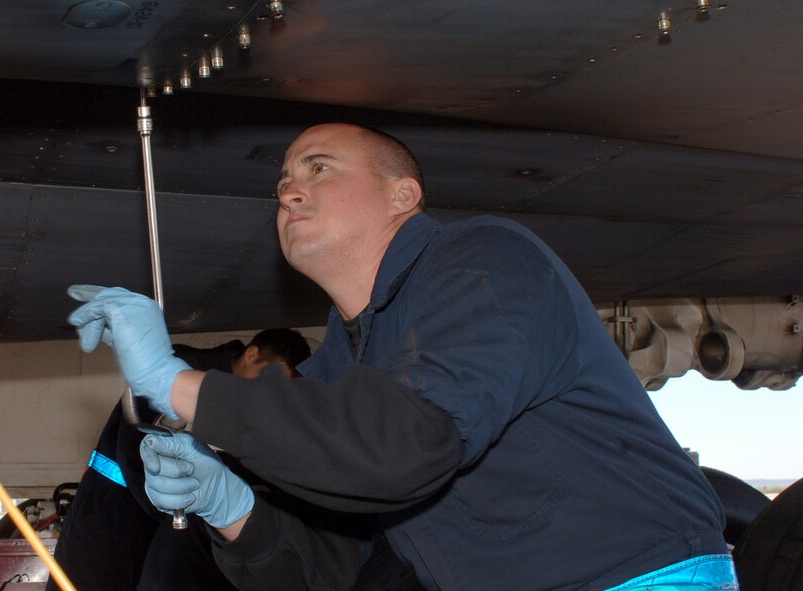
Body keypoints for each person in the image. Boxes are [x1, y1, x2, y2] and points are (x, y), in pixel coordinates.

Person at [69, 123, 738, 590]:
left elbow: (406, 443)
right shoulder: (343, 365)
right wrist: (230, 504)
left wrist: (176, 381)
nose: (288, 190)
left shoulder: (484, 261)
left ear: (403, 195)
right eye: (282, 180)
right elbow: (332, 566)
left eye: (318, 168)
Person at [48, 329, 312, 591]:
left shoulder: (244, 409)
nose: (267, 395)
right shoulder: (177, 371)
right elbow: (134, 454)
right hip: (109, 515)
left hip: (156, 528)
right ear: (252, 354)